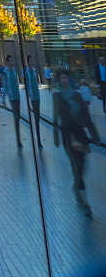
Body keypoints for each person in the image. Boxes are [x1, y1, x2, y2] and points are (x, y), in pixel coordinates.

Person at [53, 68, 98, 217]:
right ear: (59, 80)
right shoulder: (57, 96)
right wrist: (56, 138)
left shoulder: (77, 95)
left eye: (66, 78)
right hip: (68, 136)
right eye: (62, 78)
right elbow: (55, 117)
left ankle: (77, 187)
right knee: (77, 168)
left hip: (80, 135)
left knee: (82, 167)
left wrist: (94, 135)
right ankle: (86, 204)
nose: (64, 80)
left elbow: (86, 116)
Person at [2, 54, 22, 149]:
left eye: (12, 60)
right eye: (9, 61)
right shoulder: (6, 72)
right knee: (16, 117)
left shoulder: (14, 71)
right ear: (7, 62)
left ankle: (19, 138)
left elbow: (17, 84)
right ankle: (18, 140)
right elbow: (5, 86)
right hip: (12, 97)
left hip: (17, 96)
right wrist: (3, 99)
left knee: (18, 117)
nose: (11, 62)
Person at [24, 56, 43, 148]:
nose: (31, 62)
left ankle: (38, 138)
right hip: (32, 97)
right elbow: (27, 85)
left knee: (37, 118)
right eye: (29, 61)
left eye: (31, 60)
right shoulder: (26, 73)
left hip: (37, 96)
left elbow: (36, 82)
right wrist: (29, 95)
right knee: (36, 118)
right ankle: (38, 140)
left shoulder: (34, 71)